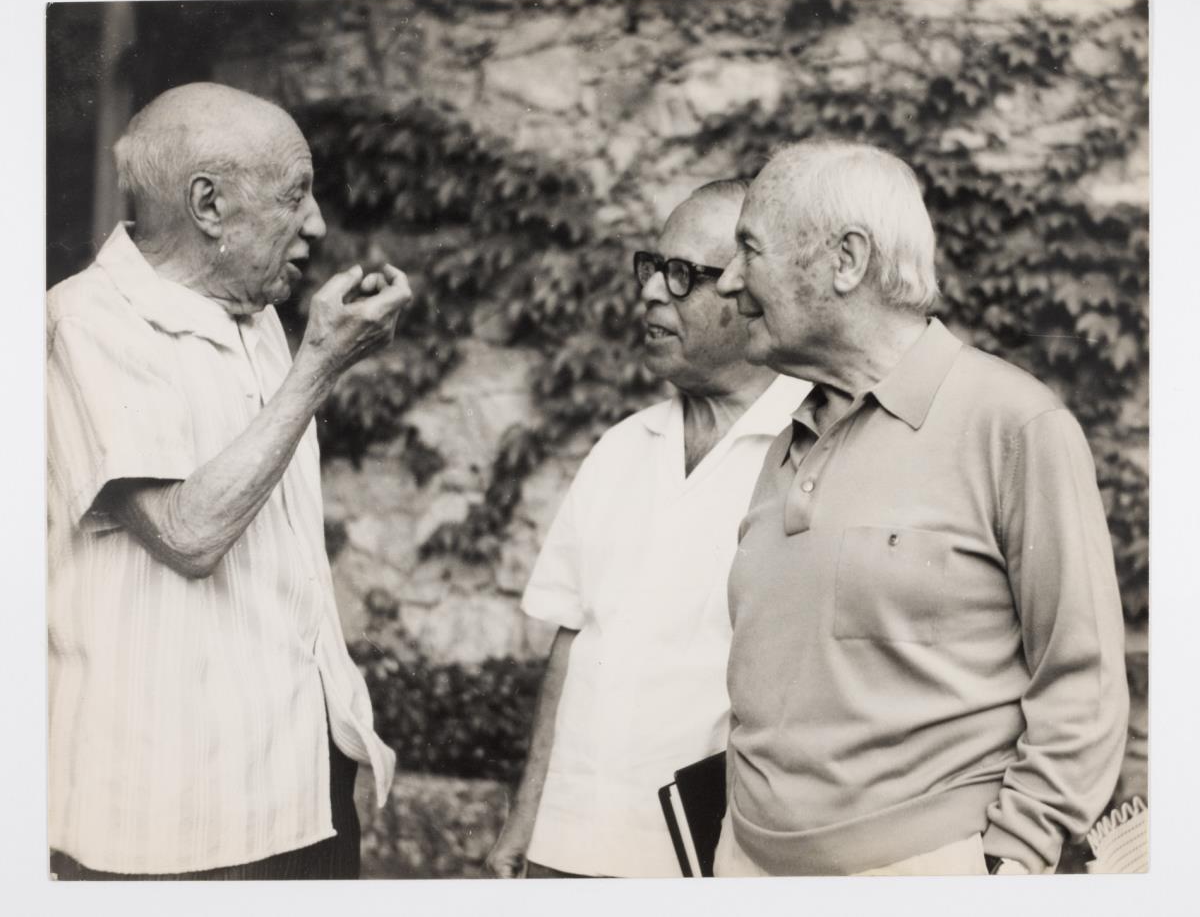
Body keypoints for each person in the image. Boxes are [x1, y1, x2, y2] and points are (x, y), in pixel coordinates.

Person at [712, 140, 1130, 876]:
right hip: (742, 864)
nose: (727, 279)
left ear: (846, 260)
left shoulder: (1013, 424)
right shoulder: (785, 439)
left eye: (749, 248)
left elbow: (1083, 682)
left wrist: (1013, 863)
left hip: (927, 870)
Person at [46, 82, 411, 879]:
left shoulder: (256, 320)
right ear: (207, 204)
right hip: (167, 815)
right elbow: (188, 533)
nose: (316, 225)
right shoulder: (82, 324)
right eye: (295, 197)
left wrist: (337, 740)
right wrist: (320, 366)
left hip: (298, 786)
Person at [485, 180, 811, 879]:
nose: (651, 294)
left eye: (683, 276)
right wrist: (528, 812)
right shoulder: (620, 448)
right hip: (564, 852)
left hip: (703, 862)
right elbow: (572, 642)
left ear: (753, 290)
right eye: (652, 267)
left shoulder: (811, 456)